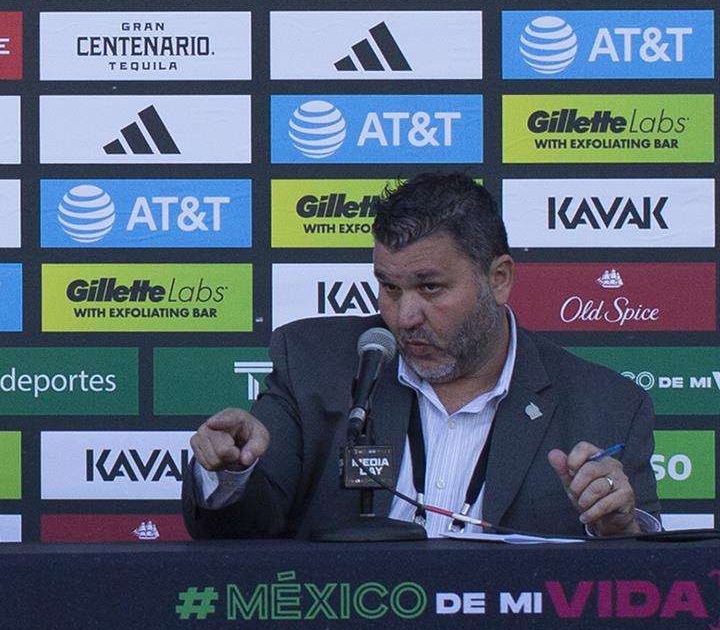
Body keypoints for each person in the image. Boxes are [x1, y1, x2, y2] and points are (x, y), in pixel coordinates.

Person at [183, 172, 659, 538]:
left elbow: (638, 586)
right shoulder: (313, 365)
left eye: (430, 287)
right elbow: (239, 534)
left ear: (499, 279)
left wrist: (619, 528)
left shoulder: (607, 405)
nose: (404, 315)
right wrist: (230, 472)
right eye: (389, 288)